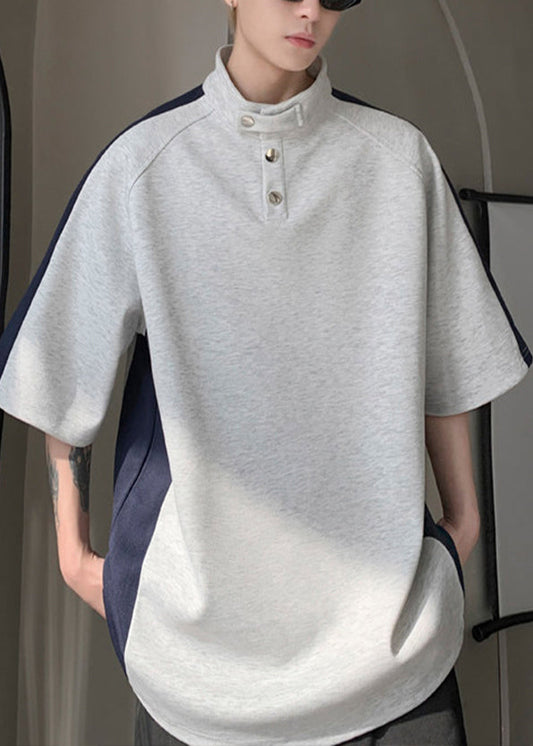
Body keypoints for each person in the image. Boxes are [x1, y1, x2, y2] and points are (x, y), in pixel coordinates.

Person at [0, 0, 530, 744]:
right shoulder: (144, 165)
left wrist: (462, 524)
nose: (310, 8)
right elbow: (56, 369)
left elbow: (452, 360)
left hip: (394, 652)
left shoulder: (398, 159)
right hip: (197, 672)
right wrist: (74, 558)